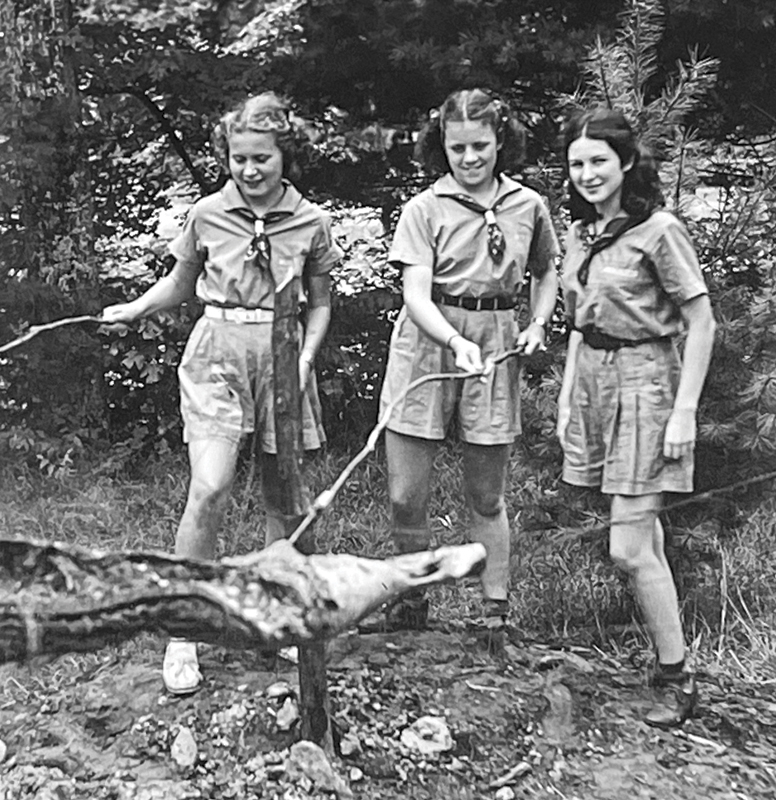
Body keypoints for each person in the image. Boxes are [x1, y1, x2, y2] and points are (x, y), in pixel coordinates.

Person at [101, 93, 341, 695]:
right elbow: (181, 284)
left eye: (262, 158)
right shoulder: (209, 214)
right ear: (226, 156)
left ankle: (273, 613)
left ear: (287, 155)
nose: (250, 170)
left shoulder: (311, 221)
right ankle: (186, 629)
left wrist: (306, 357)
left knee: (282, 498)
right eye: (239, 159)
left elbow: (321, 303)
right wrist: (134, 308)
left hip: (284, 357)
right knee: (209, 486)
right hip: (217, 352)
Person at [372, 89, 559, 639]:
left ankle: (495, 612)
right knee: (406, 494)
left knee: (486, 494)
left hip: (496, 340)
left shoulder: (528, 206)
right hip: (430, 342)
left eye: (481, 145)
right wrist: (455, 341)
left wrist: (538, 323)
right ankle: (412, 600)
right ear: (442, 146)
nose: (470, 157)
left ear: (501, 141)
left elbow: (546, 271)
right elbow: (416, 295)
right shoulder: (425, 209)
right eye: (458, 148)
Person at [557, 107, 715, 728]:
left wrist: (685, 412)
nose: (588, 173)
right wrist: (570, 395)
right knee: (643, 539)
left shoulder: (659, 230)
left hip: (649, 384)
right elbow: (579, 324)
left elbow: (701, 322)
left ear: (625, 162)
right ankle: (669, 666)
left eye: (599, 160)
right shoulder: (579, 233)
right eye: (577, 163)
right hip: (596, 383)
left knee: (627, 546)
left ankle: (677, 678)